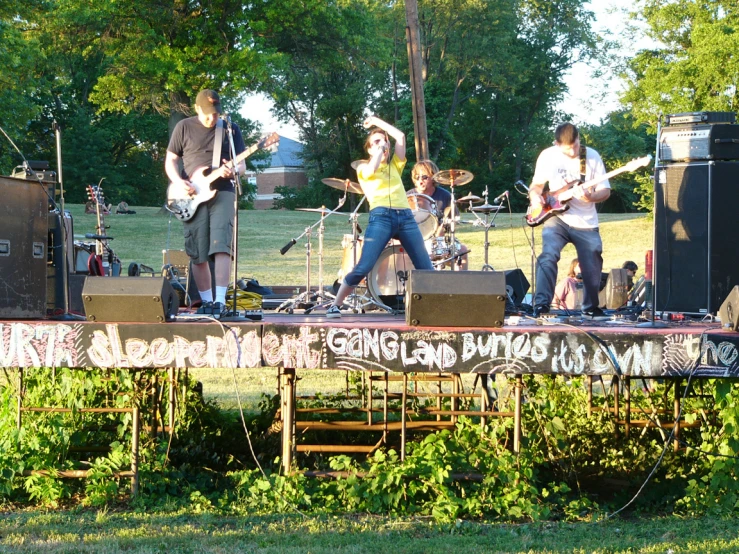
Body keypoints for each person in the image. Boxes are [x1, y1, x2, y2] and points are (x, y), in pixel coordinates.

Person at [326, 116, 434, 318]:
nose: (381, 144)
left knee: (425, 266)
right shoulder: (363, 168)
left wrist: (377, 122)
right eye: (375, 142)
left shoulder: (395, 165)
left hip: (405, 218)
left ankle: (435, 307)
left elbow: (400, 137)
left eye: (383, 142)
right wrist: (379, 148)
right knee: (364, 265)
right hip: (381, 217)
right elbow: (373, 167)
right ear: (368, 150)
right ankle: (336, 305)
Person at [164, 89, 246, 317]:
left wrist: (233, 172)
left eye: (216, 114)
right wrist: (179, 181)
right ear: (197, 109)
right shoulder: (184, 127)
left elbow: (242, 166)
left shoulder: (230, 129)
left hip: (223, 191)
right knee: (197, 251)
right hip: (190, 195)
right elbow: (171, 160)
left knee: (221, 246)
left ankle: (220, 302)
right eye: (208, 114)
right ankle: (207, 303)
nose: (213, 118)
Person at [528, 122, 610, 318]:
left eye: (576, 145)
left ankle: (590, 307)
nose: (573, 151)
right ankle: (541, 305)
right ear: (556, 144)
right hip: (557, 216)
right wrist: (535, 197)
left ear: (579, 139)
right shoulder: (547, 156)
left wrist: (590, 197)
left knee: (592, 259)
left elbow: (605, 191)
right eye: (568, 148)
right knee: (548, 254)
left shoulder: (592, 156)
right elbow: (537, 185)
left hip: (586, 221)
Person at [409, 160, 469, 270]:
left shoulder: (445, 196)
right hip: (415, 241)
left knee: (463, 251)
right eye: (417, 177)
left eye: (424, 177)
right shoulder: (408, 197)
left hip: (439, 241)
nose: (420, 181)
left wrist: (443, 230)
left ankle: (460, 285)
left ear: (433, 177)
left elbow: (454, 220)